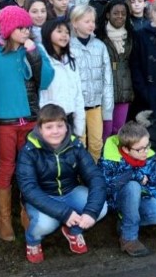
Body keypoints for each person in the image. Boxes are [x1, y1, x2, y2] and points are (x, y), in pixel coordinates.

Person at [0, 5, 55, 241]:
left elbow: (45, 81)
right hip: (5, 122)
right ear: (8, 28)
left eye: (28, 27)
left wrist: (34, 55)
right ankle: (3, 220)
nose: (26, 32)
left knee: (29, 167)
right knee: (6, 167)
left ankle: (27, 211)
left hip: (30, 120)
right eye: (21, 28)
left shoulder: (32, 50)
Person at [16, 104, 108, 262]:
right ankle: (33, 241)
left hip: (70, 191)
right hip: (42, 196)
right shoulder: (29, 151)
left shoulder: (76, 145)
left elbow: (95, 177)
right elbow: (29, 189)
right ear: (39, 129)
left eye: (60, 125)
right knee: (46, 225)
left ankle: (73, 230)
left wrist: (91, 212)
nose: (55, 131)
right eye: (49, 127)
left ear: (67, 127)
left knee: (101, 209)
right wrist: (64, 213)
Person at [100, 121, 156, 257]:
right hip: (116, 200)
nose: (146, 151)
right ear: (126, 149)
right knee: (133, 185)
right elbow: (107, 186)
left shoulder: (149, 156)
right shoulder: (110, 157)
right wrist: (135, 175)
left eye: (147, 145)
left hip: (141, 198)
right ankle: (129, 238)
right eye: (140, 149)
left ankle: (125, 223)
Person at [70, 5, 114, 161]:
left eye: (93, 21)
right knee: (79, 142)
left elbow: (107, 78)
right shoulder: (68, 47)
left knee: (96, 143)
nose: (91, 25)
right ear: (75, 23)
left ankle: (94, 172)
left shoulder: (100, 46)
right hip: (77, 106)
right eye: (86, 21)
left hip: (95, 105)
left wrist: (107, 108)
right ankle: (80, 176)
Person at [96, 0, 135, 134]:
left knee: (118, 131)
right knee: (104, 132)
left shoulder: (130, 36)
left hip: (125, 90)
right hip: (105, 90)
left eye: (123, 14)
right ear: (108, 15)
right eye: (116, 13)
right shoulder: (99, 36)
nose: (120, 16)